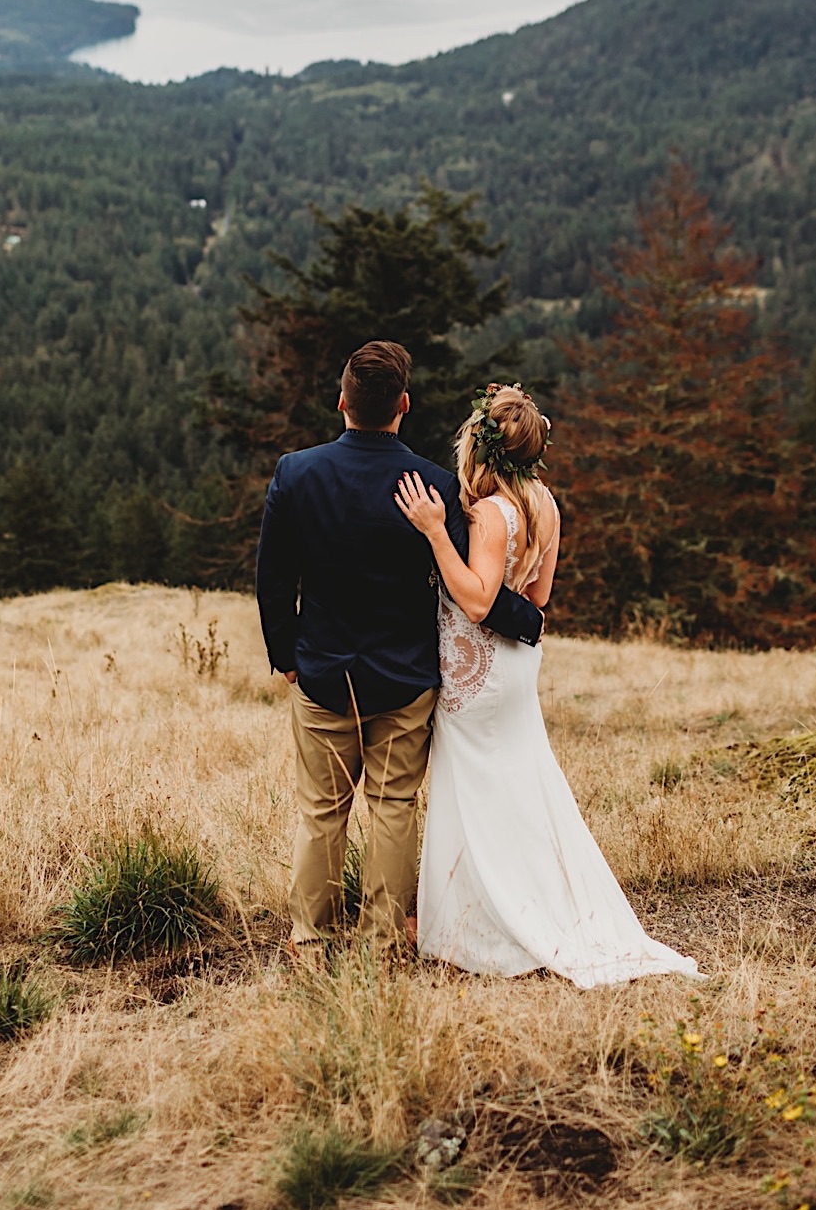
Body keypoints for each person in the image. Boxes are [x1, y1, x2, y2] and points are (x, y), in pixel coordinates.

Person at [395, 382, 698, 989]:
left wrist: (433, 532)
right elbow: (537, 600)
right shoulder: (544, 504)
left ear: (479, 447)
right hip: (515, 669)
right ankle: (524, 899)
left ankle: (478, 922)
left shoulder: (486, 513)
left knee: (473, 789)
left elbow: (480, 601)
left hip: (473, 672)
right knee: (520, 786)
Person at [255, 341, 543, 953]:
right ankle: (381, 944)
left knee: (321, 812)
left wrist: (286, 656)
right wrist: (531, 620)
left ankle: (310, 941)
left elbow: (273, 577)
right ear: (403, 406)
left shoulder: (296, 473)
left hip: (323, 672)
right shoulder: (434, 488)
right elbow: (473, 584)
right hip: (406, 678)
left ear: (342, 403)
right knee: (392, 807)